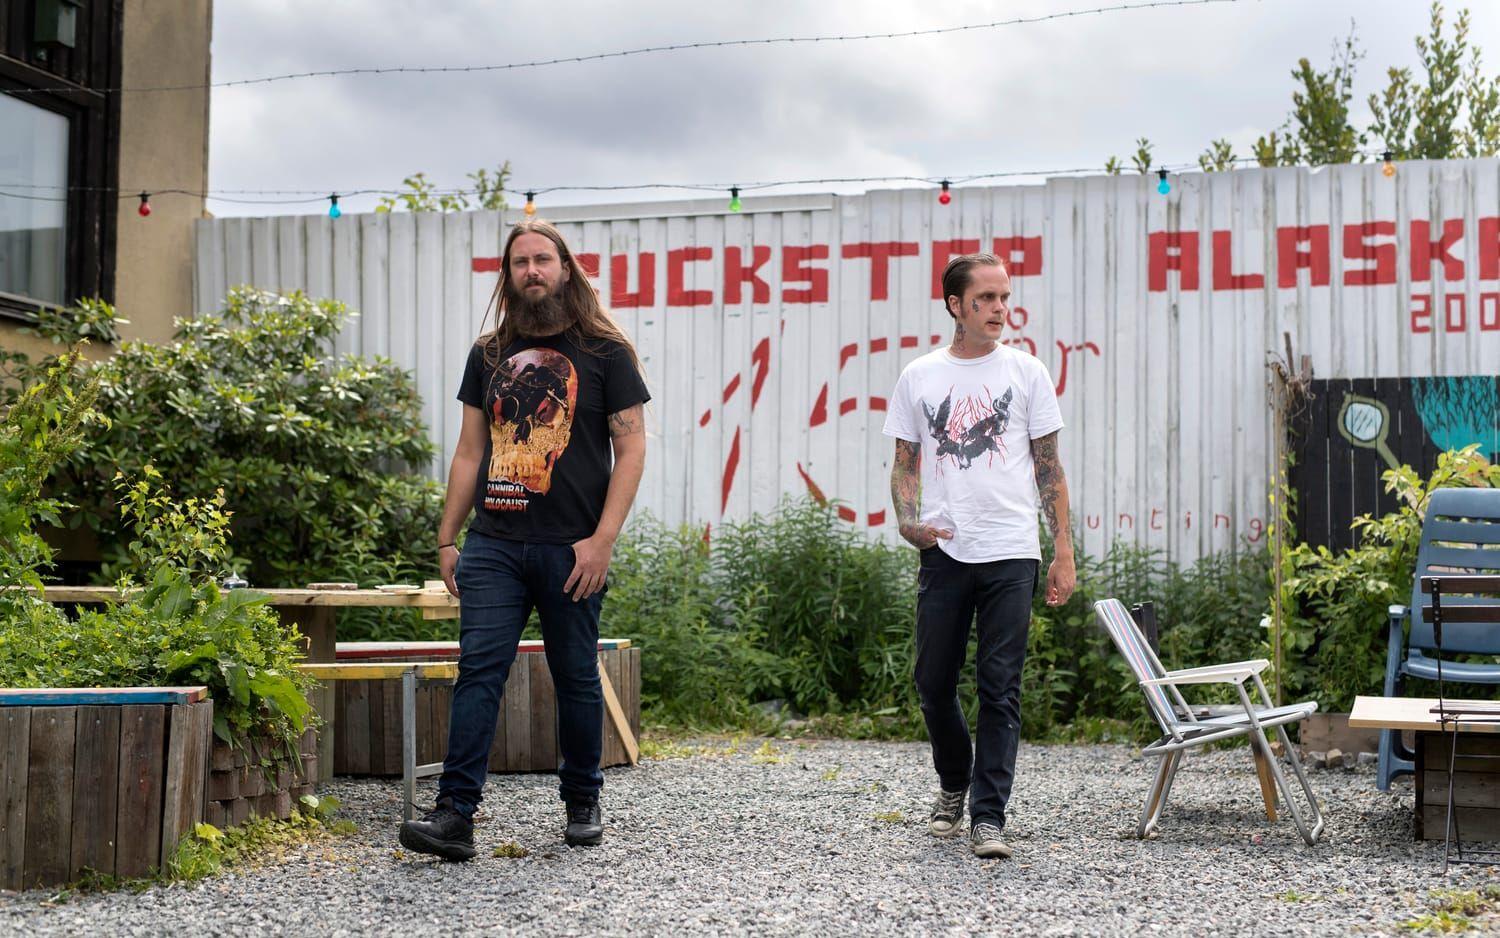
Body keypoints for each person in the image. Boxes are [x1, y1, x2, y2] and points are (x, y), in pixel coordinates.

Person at [399, 219, 649, 860]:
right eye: (520, 263)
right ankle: (455, 815)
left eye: (543, 259)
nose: (532, 271)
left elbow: (632, 446)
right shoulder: (487, 354)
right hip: (495, 545)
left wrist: (603, 541)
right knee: (479, 670)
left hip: (574, 549)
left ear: (565, 268)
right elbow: (469, 450)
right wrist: (448, 537)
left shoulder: (604, 352)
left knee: (575, 676)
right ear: (508, 275)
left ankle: (582, 802)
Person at [882, 252, 1076, 859]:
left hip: (1011, 550)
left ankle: (988, 816)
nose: (999, 308)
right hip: (944, 550)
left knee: (1000, 687)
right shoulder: (920, 376)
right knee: (933, 681)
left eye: (1003, 297)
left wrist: (1062, 548)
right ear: (955, 305)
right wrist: (907, 520)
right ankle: (953, 782)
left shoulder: (1026, 373)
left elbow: (1050, 469)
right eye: (986, 298)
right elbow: (904, 465)